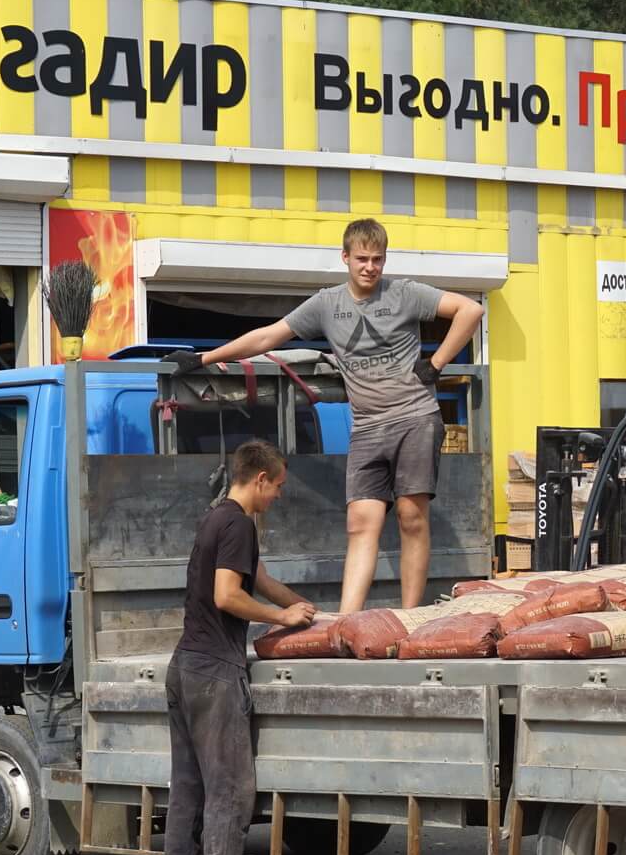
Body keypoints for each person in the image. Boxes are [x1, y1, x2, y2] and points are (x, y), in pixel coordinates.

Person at [166, 218, 486, 612]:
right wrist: (204, 357)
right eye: (362, 259)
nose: (370, 267)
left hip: (414, 417)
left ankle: (409, 616)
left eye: (378, 260)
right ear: (345, 257)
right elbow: (268, 336)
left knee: (410, 515)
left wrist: (435, 364)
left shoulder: (405, 293)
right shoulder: (326, 304)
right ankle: (350, 618)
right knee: (360, 522)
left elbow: (470, 310)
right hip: (367, 425)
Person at [164, 440, 315, 855]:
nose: (279, 496)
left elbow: (260, 580)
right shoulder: (238, 524)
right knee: (229, 793)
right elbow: (227, 595)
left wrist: (310, 610)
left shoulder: (217, 517)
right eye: (278, 486)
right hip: (213, 673)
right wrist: (281, 618)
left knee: (188, 791)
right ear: (260, 479)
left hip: (186, 668)